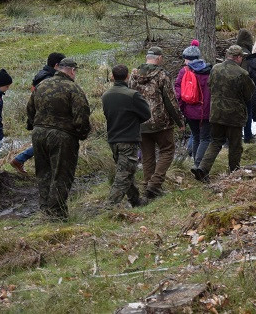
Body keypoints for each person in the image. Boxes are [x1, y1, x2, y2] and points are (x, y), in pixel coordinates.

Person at [27, 58, 90, 219]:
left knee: (43, 173)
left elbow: (30, 109)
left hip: (39, 134)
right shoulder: (73, 88)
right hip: (62, 136)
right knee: (61, 175)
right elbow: (81, 114)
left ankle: (45, 209)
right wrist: (82, 134)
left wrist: (33, 126)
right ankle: (57, 214)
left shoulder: (41, 85)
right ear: (72, 70)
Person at [193, 45, 255, 181]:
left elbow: (210, 85)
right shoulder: (242, 73)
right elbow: (249, 94)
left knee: (215, 142)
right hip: (234, 115)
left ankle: (202, 168)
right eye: (241, 57)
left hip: (215, 113)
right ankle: (234, 172)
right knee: (235, 144)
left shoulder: (215, 69)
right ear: (238, 57)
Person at [129, 46, 184, 200]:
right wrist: (179, 120)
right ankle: (154, 185)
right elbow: (170, 100)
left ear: (147, 57)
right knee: (167, 150)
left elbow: (130, 98)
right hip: (161, 122)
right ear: (159, 58)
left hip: (140, 122)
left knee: (147, 156)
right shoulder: (162, 75)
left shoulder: (134, 75)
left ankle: (148, 187)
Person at [102, 64, 151, 208]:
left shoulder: (106, 96)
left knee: (127, 170)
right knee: (123, 174)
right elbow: (146, 114)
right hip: (128, 138)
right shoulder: (132, 95)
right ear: (127, 76)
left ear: (112, 76)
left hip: (113, 138)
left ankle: (135, 200)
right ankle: (110, 205)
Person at [10, 52, 65, 173]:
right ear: (56, 65)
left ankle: (21, 159)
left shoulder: (42, 74)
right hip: (46, 115)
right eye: (63, 66)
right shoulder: (48, 78)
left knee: (44, 141)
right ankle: (21, 159)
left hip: (40, 113)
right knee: (47, 141)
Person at [175, 41, 212, 168]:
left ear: (187, 59)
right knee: (205, 138)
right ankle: (198, 165)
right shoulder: (209, 70)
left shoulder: (184, 72)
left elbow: (178, 93)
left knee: (196, 137)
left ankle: (196, 164)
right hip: (206, 111)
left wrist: (180, 110)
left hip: (190, 111)